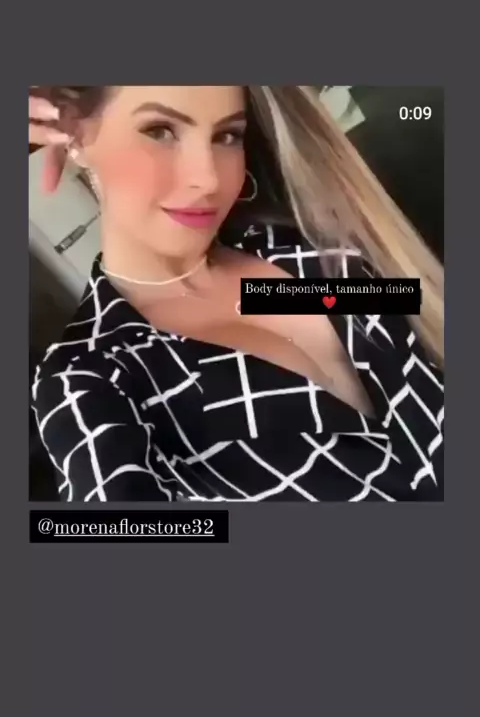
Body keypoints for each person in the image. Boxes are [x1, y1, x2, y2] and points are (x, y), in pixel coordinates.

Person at [29, 86, 444, 502]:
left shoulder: (303, 250)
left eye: (227, 136)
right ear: (73, 132)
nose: (208, 178)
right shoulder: (92, 377)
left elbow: (428, 328)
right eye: (159, 130)